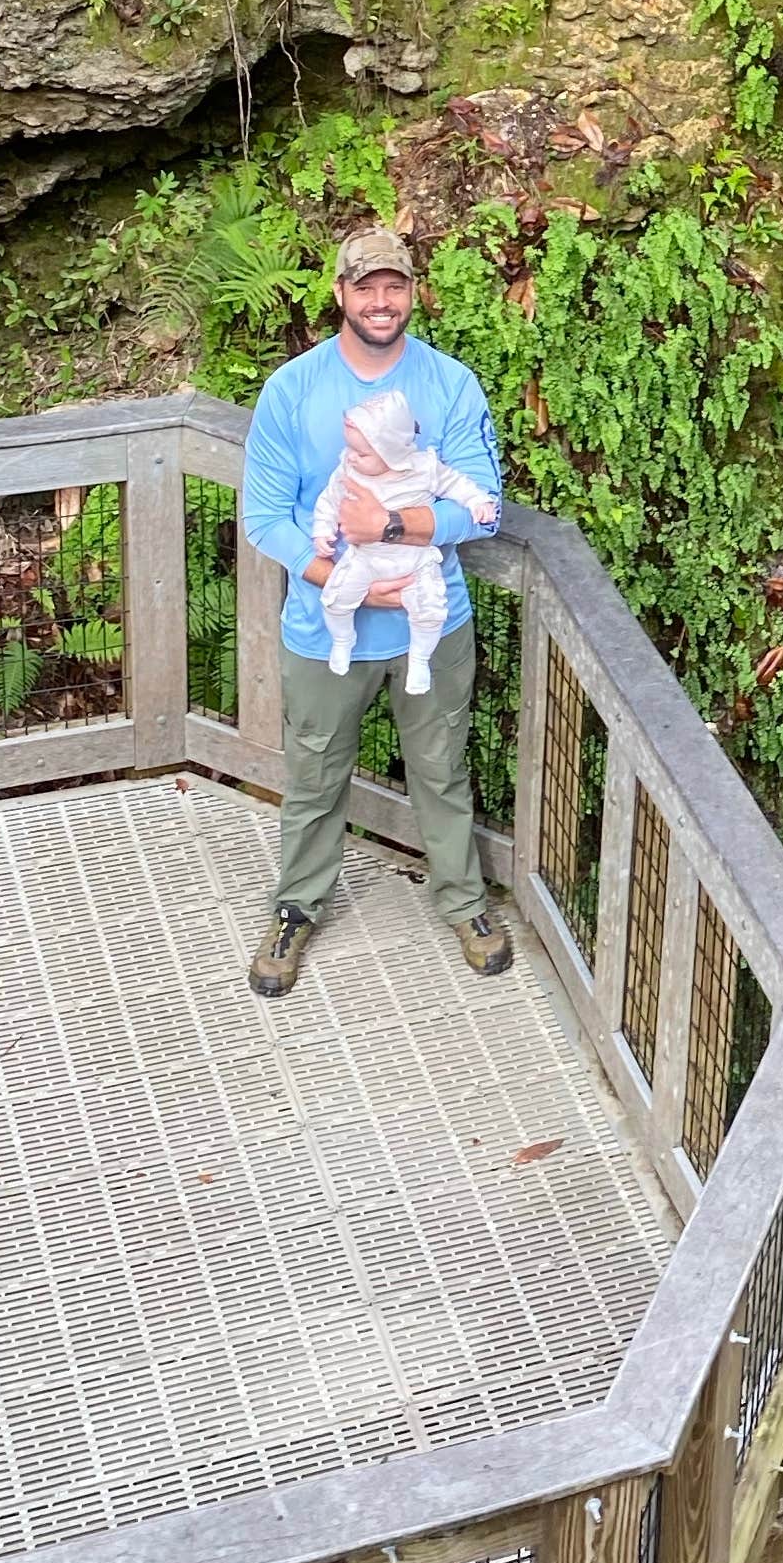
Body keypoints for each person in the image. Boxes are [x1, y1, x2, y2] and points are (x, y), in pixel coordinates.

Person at [239, 219, 514, 996]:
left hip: (435, 621)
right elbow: (267, 519)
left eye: (395, 285)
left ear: (414, 292)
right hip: (324, 627)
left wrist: (393, 528)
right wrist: (344, 578)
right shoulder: (293, 390)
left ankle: (464, 901)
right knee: (315, 775)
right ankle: (295, 909)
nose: (382, 300)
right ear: (340, 295)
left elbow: (483, 508)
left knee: (441, 768)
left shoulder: (451, 385)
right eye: (367, 286)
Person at [312, 385, 497, 686]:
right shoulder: (349, 469)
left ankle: (420, 661)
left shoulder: (423, 468)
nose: (351, 457)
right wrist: (322, 528)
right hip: (366, 557)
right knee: (335, 599)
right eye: (350, 449)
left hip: (414, 560)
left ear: (391, 451)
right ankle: (343, 640)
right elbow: (329, 500)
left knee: (430, 611)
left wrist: (477, 500)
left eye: (361, 452)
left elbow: (455, 483)